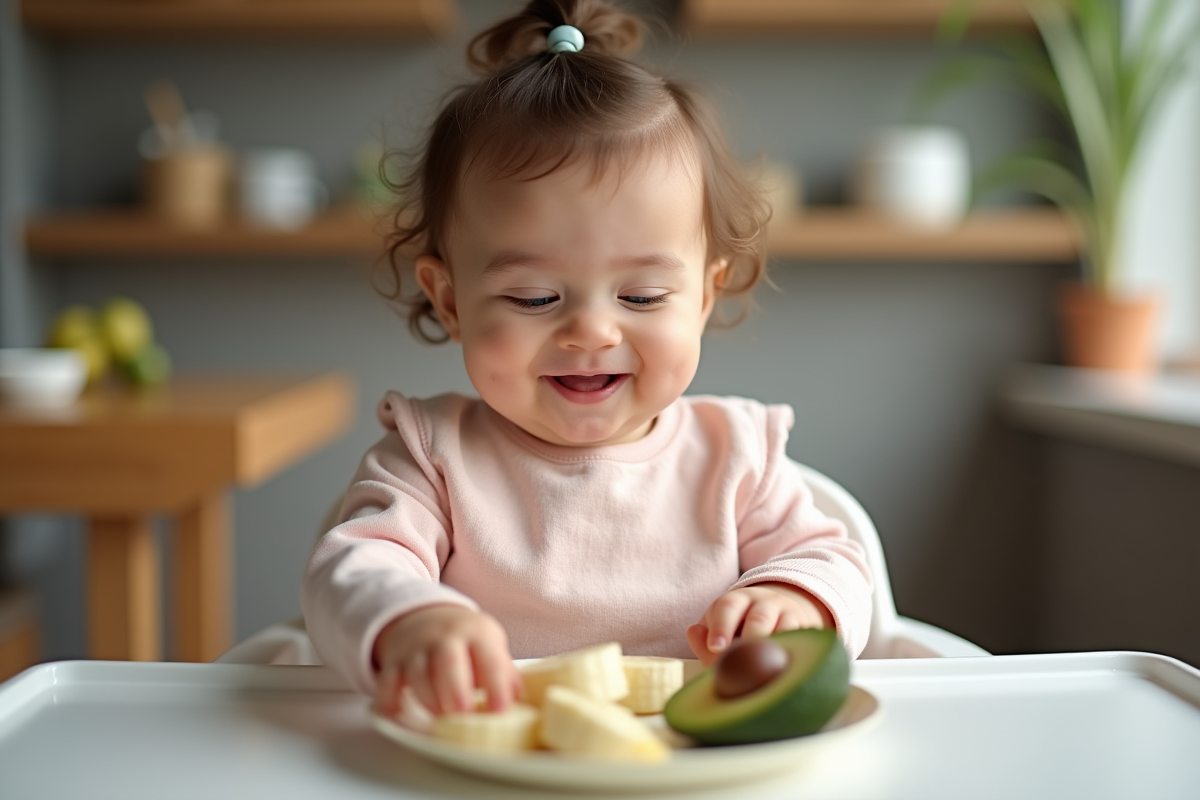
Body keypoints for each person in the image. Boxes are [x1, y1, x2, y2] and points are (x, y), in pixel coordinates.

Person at [301, 0, 873, 718]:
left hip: (698, 763)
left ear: (702, 295)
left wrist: (792, 598)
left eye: (641, 296)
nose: (591, 332)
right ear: (449, 300)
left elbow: (836, 562)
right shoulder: (432, 458)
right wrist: (409, 618)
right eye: (536, 298)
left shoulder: (738, 457)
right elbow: (350, 569)